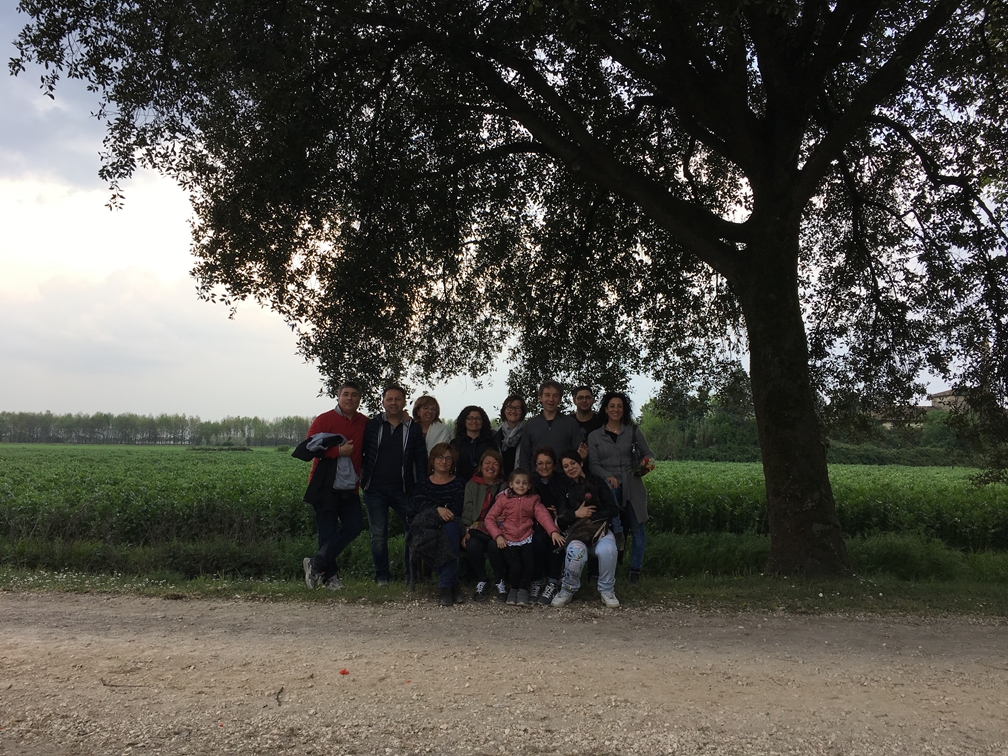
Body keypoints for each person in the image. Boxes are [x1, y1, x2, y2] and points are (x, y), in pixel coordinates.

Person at [298, 381, 368, 591]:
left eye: (354, 395)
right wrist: (337, 451)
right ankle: (330, 578)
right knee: (327, 532)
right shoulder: (324, 420)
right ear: (338, 397)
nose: (349, 398)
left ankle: (316, 563)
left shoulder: (364, 422)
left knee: (353, 527)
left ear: (359, 399)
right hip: (324, 486)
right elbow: (307, 449)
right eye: (346, 394)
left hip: (350, 486)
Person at [361, 385, 428, 585]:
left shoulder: (412, 428)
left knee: (413, 529)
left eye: (398, 399)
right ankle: (382, 577)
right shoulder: (372, 425)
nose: (393, 403)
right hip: (375, 489)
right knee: (378, 535)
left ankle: (411, 575)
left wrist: (421, 488)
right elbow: (361, 453)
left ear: (404, 402)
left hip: (404, 489)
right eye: (389, 399)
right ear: (382, 402)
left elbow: (420, 460)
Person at [587, 391, 654, 585]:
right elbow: (593, 465)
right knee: (601, 527)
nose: (615, 409)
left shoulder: (633, 432)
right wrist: (607, 476)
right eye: (612, 406)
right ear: (605, 409)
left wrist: (642, 467)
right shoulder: (595, 436)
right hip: (607, 484)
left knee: (638, 528)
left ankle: (635, 571)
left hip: (632, 483)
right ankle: (599, 567)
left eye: (619, 406)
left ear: (624, 410)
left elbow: (648, 454)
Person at [551, 449, 621, 609]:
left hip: (599, 531)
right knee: (576, 553)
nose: (570, 468)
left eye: (573, 463)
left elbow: (613, 508)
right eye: (566, 466)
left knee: (608, 550)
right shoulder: (563, 487)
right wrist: (576, 514)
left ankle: (607, 590)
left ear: (581, 463)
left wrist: (592, 516)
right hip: (576, 533)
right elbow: (561, 516)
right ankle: (567, 589)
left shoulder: (597, 482)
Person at [484, 468, 564, 606]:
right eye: (517, 482)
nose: (521, 486)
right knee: (515, 567)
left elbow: (543, 516)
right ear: (511, 484)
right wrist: (498, 536)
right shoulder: (503, 499)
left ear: (529, 485)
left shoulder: (533, 500)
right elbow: (489, 518)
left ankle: (523, 590)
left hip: (527, 538)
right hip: (508, 538)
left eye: (524, 483)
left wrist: (553, 531)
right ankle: (514, 589)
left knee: (529, 565)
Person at [410, 442, 468, 606]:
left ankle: (444, 588)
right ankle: (453, 585)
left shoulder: (459, 483)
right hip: (428, 525)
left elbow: (456, 508)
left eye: (448, 458)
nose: (444, 461)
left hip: (451, 524)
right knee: (420, 537)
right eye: (440, 457)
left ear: (453, 462)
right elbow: (421, 506)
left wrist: (442, 512)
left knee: (450, 529)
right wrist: (438, 510)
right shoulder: (422, 484)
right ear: (432, 460)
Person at [460, 449, 508, 602]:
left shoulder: (505, 486)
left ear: (500, 468)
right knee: (472, 545)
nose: (491, 467)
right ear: (481, 466)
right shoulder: (471, 484)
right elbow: (467, 508)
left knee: (495, 546)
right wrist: (466, 529)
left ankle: (499, 581)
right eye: (487, 463)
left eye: (495, 464)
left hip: (497, 528)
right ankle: (483, 580)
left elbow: (508, 510)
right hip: (476, 528)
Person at [530, 446, 567, 605]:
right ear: (535, 466)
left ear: (554, 465)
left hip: (559, 522)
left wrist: (559, 512)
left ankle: (553, 582)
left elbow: (566, 502)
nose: (544, 467)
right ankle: (537, 582)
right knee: (537, 540)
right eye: (540, 463)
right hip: (536, 524)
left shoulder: (562, 481)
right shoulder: (531, 481)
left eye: (548, 463)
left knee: (556, 541)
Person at [520, 380, 586, 466]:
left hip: (564, 472)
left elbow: (578, 453)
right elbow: (524, 457)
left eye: (555, 396)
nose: (551, 399)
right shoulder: (530, 425)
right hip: (537, 473)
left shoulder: (570, 423)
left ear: (560, 399)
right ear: (541, 398)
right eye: (547, 395)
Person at [450, 405, 498, 482]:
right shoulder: (455, 443)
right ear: (464, 421)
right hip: (460, 484)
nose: (474, 421)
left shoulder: (490, 443)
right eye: (470, 418)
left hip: (484, 484)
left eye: (478, 418)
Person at [493, 394, 527, 476]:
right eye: (510, 407)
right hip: (499, 479)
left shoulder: (528, 432)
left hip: (521, 479)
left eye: (517, 408)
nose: (513, 411)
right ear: (504, 410)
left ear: (522, 411)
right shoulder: (495, 434)